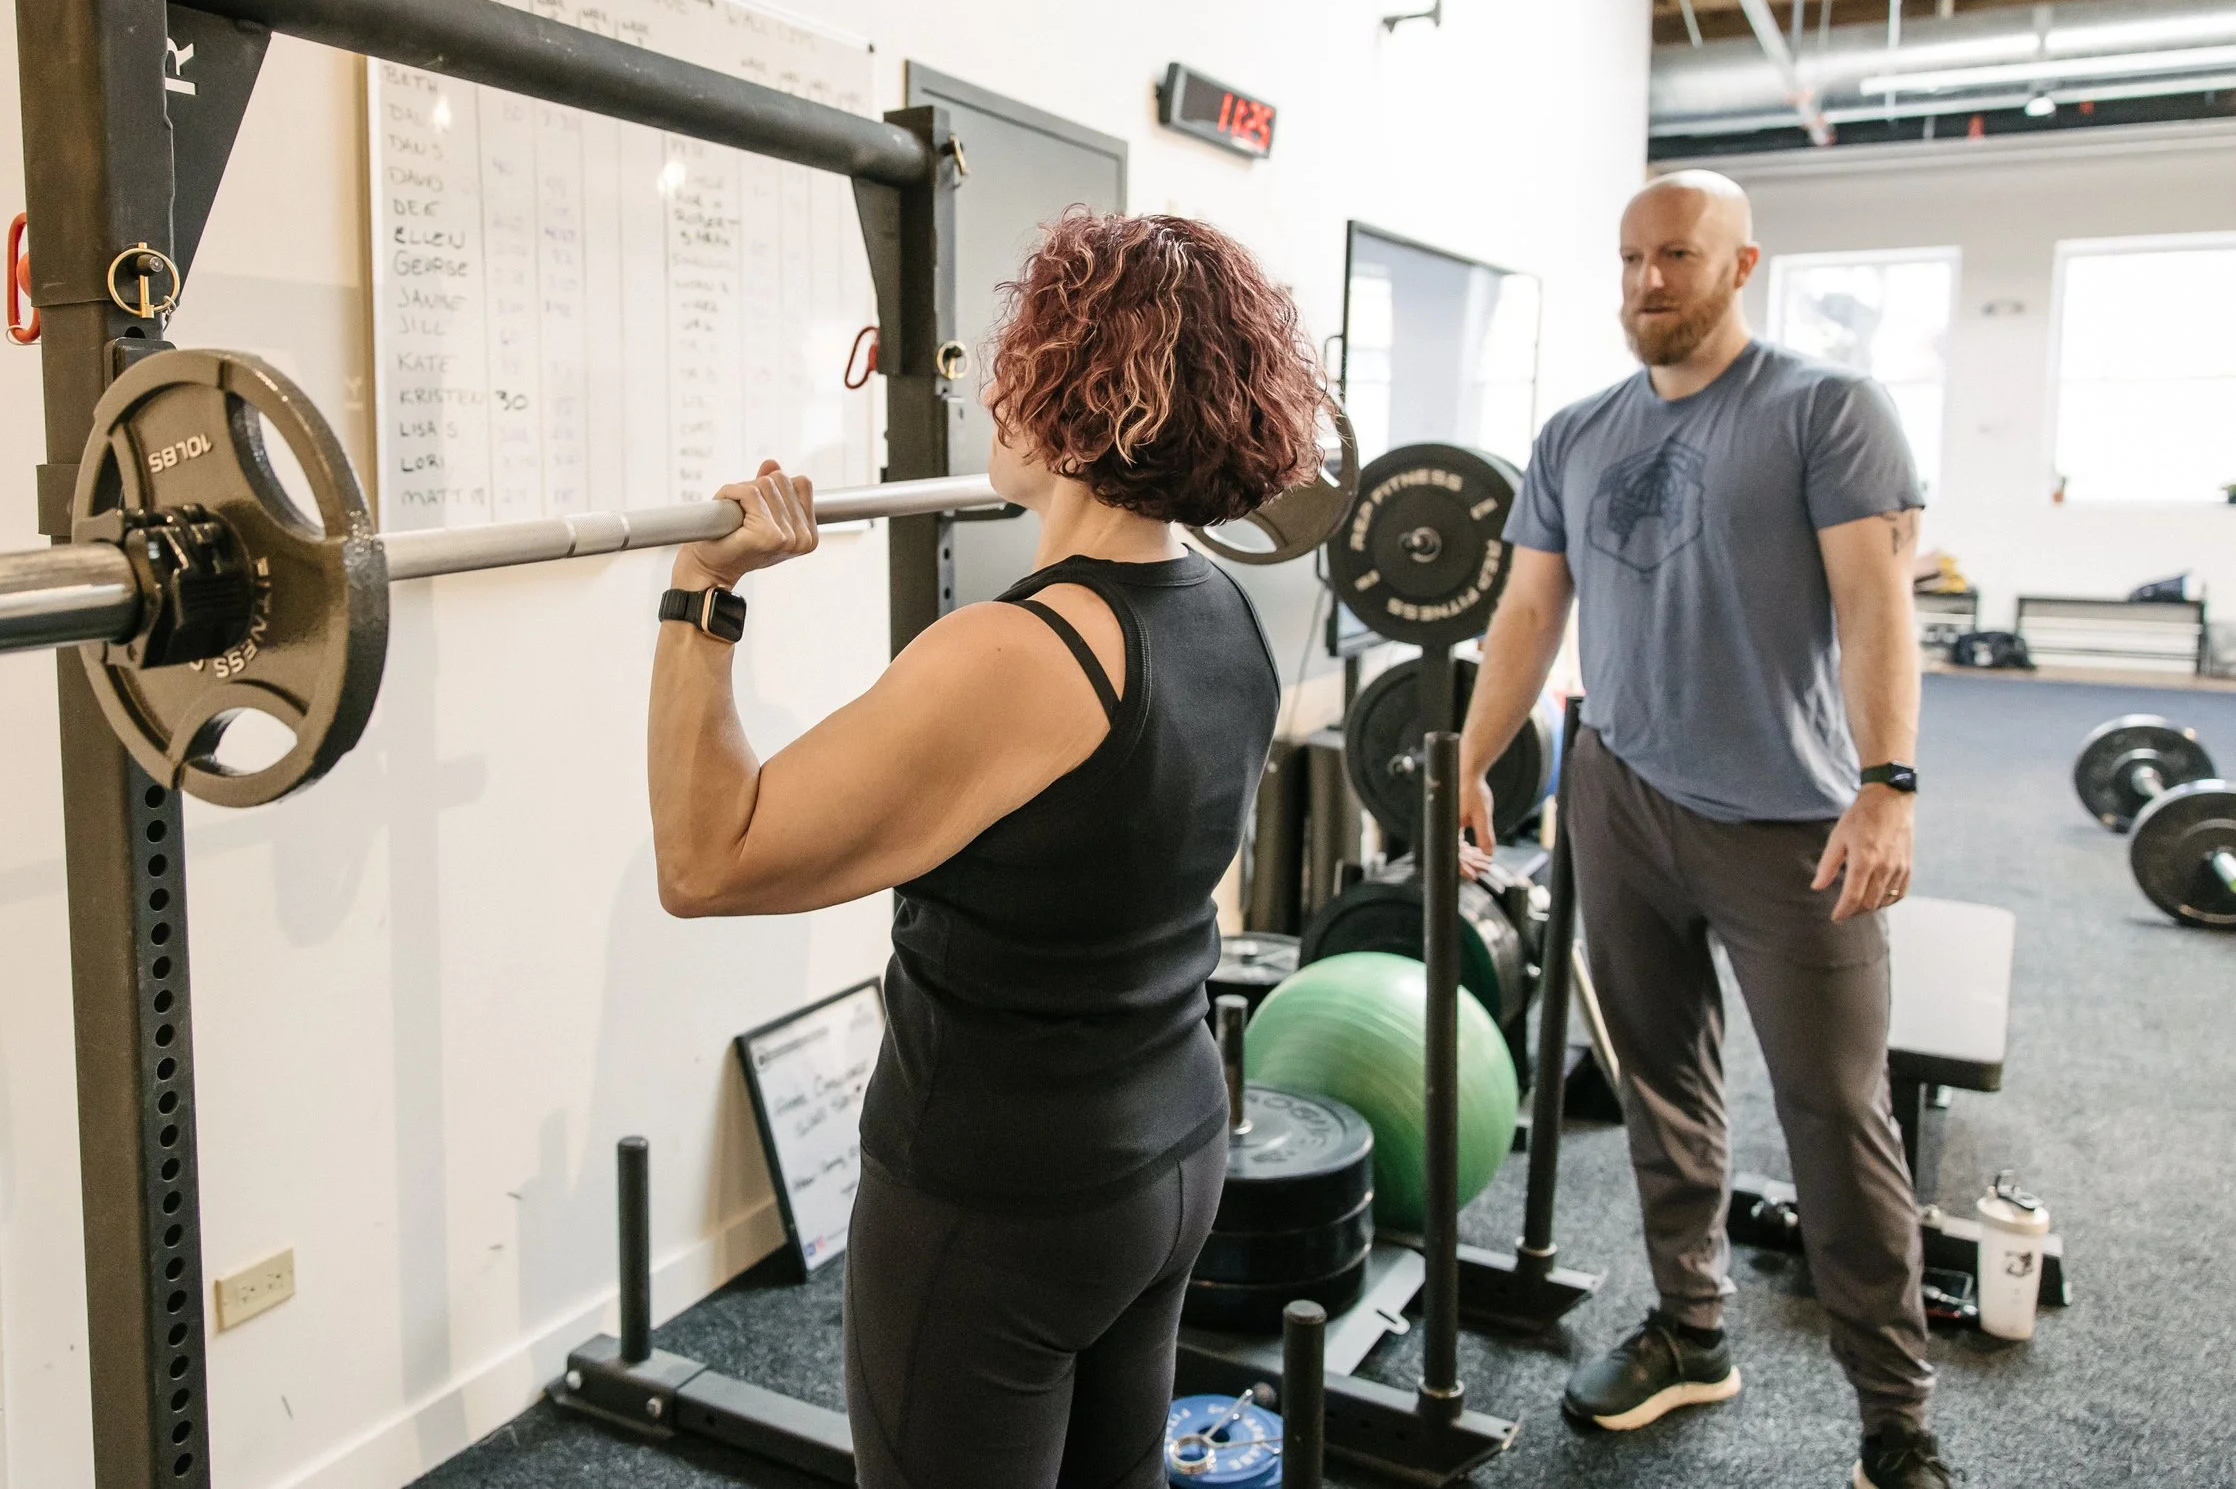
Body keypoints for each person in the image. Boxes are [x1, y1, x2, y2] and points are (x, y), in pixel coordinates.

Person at [646, 210, 1324, 1489]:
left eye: (1021, 363)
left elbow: (705, 859)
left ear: (1077, 396)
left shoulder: (1015, 654)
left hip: (1002, 1205)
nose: (996, 399)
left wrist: (703, 585)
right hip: (1172, 1148)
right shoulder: (1227, 618)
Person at [1455, 171, 1953, 1489]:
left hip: (1794, 824)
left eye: (1677, 255)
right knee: (1663, 1084)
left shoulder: (1824, 409)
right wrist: (1469, 751)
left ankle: (1894, 1411)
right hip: (1619, 796)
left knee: (1837, 1112)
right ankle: (1689, 1326)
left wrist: (1888, 779)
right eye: (1629, 259)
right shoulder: (1576, 432)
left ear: (1741, 265)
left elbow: (1874, 601)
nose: (1648, 281)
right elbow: (1528, 613)